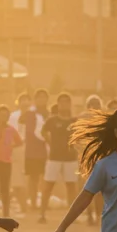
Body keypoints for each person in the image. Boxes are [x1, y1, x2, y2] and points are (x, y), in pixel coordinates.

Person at [41, 93, 79, 224]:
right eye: (62, 102)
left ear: (70, 104)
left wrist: (76, 146)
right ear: (58, 104)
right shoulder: (52, 120)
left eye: (67, 102)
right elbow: (43, 131)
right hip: (54, 157)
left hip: (70, 158)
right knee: (48, 186)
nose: (64, 104)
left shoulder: (75, 121)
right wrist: (49, 141)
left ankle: (72, 216)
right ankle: (42, 214)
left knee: (71, 187)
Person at [0, 105, 22, 217]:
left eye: (6, 115)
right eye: (1, 115)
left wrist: (11, 146)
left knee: (5, 188)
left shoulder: (11, 129)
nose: (3, 117)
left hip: (6, 162)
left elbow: (19, 141)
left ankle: (6, 213)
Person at [19, 90, 49, 214]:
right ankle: (33, 202)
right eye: (39, 97)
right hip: (32, 150)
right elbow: (24, 126)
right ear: (35, 99)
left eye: (44, 97)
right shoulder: (30, 113)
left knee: (45, 178)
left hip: (46, 150)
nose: (41, 100)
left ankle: (43, 202)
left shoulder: (49, 113)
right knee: (33, 178)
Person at [84, 95, 105, 226]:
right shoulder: (82, 119)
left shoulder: (105, 121)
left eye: (97, 104)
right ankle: (89, 215)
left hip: (101, 158)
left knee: (99, 191)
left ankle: (98, 215)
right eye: (91, 104)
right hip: (86, 159)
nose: (94, 106)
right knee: (88, 190)